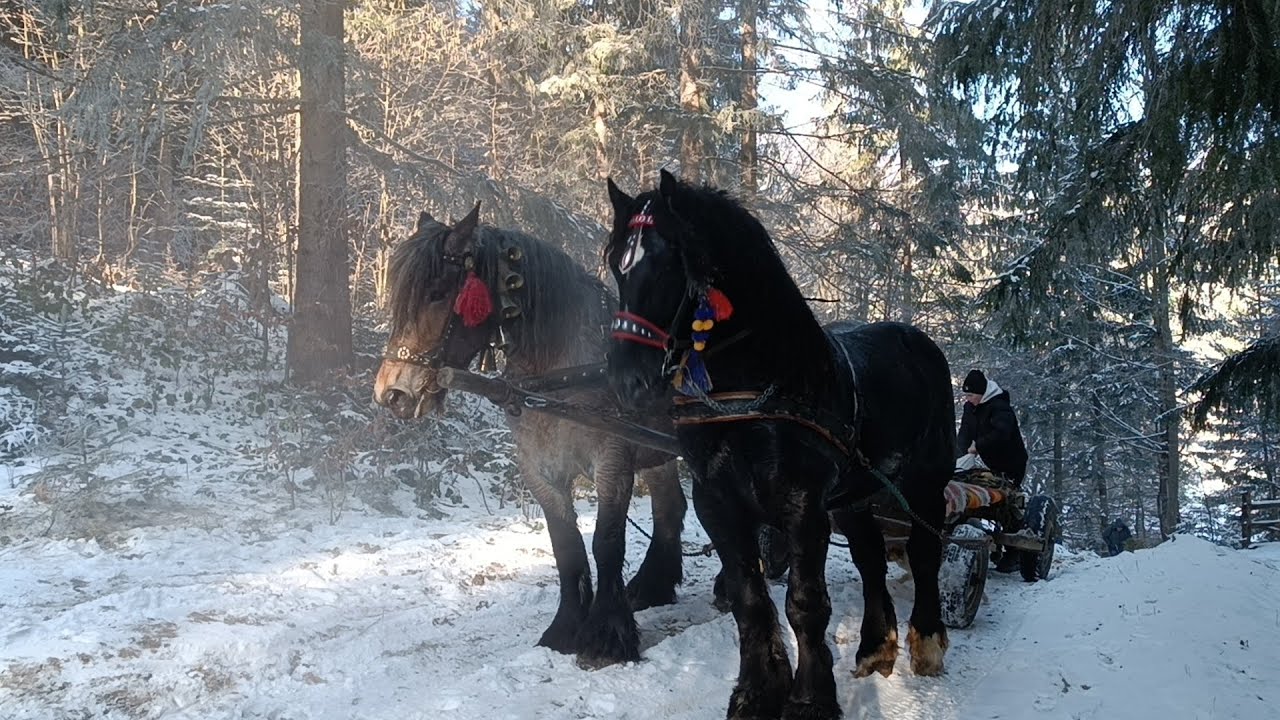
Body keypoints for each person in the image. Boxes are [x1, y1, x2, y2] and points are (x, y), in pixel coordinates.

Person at [956, 368, 1029, 572]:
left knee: (1007, 502)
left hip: (1011, 462)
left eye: (971, 395)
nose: (968, 399)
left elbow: (1002, 434)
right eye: (966, 395)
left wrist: (978, 446)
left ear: (982, 393)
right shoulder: (970, 408)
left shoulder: (1000, 407)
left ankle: (1013, 552)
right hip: (991, 462)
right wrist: (957, 454)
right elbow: (964, 433)